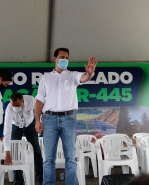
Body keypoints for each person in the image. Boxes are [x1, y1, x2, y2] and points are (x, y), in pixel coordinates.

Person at [35, 47, 98, 185]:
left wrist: (90, 73)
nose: (65, 60)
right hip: (49, 119)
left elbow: (84, 78)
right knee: (49, 159)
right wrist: (37, 121)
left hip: (69, 119)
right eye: (62, 57)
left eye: (67, 58)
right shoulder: (46, 78)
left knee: (70, 158)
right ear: (55, 59)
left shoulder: (72, 75)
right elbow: (39, 100)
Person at [4, 92, 43, 185]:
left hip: (30, 124)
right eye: (13, 106)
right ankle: (18, 179)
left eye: (17, 105)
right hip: (16, 125)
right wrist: (7, 152)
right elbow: (7, 131)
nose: (15, 108)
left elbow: (38, 116)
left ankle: (41, 178)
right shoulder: (9, 108)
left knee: (36, 149)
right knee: (15, 150)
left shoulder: (31, 101)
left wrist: (36, 135)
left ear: (23, 102)